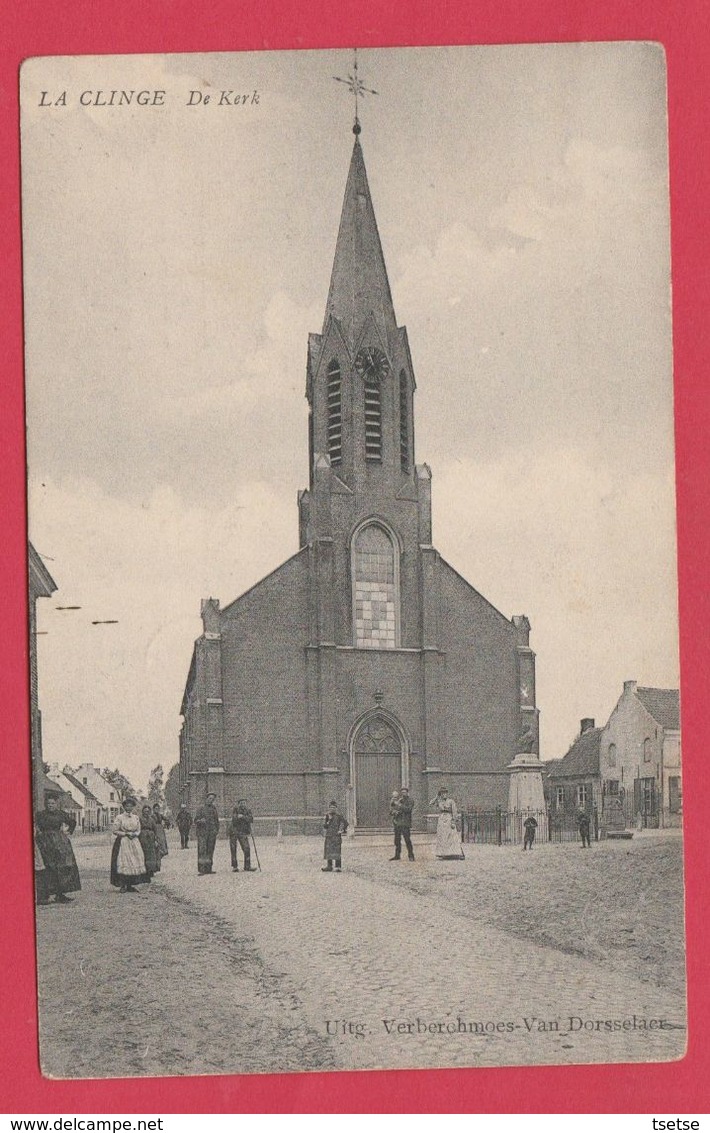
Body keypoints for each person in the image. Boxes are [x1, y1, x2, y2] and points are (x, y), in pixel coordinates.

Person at [35, 792, 81, 903]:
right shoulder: (40, 814)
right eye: (48, 803)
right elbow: (35, 825)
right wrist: (39, 834)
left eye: (53, 803)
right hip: (44, 843)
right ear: (46, 804)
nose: (50, 805)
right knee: (47, 867)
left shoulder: (61, 814)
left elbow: (72, 822)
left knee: (61, 867)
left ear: (56, 804)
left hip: (60, 844)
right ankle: (44, 895)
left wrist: (68, 832)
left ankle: (60, 894)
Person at [111, 797, 149, 892]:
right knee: (124, 861)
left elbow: (138, 830)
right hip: (123, 841)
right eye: (127, 806)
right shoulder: (119, 818)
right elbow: (115, 831)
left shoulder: (135, 817)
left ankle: (130, 885)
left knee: (134, 861)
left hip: (134, 841)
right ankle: (123, 884)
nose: (129, 808)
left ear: (133, 807)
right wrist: (125, 834)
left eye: (131, 806)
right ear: (124, 807)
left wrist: (135, 834)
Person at [429, 787, 464, 860]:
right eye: (442, 793)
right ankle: (443, 853)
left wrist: (453, 821)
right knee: (442, 836)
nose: (444, 794)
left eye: (445, 793)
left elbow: (454, 811)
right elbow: (430, 803)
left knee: (451, 835)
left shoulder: (451, 801)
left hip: (449, 818)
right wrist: (436, 797)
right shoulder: (439, 801)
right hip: (441, 819)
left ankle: (454, 853)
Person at [195, 792, 220, 874]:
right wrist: (200, 821)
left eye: (212, 799)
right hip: (202, 833)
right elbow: (195, 820)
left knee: (210, 850)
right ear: (206, 799)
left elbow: (216, 821)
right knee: (202, 850)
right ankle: (201, 869)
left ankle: (209, 868)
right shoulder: (201, 808)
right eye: (210, 798)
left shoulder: (214, 809)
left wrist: (216, 830)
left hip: (212, 833)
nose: (211, 800)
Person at [229, 800, 256, 871]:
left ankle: (247, 866)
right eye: (241, 803)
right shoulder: (235, 810)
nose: (243, 804)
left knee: (247, 848)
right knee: (233, 848)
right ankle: (234, 866)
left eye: (244, 803)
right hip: (234, 831)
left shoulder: (248, 810)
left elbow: (251, 819)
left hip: (243, 832)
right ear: (238, 804)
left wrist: (243, 817)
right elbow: (234, 819)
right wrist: (238, 817)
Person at [390, 786, 415, 861]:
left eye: (405, 792)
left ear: (407, 792)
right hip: (397, 823)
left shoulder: (410, 800)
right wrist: (393, 812)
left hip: (405, 823)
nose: (403, 793)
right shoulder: (400, 800)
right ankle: (397, 855)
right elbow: (392, 809)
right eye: (402, 792)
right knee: (397, 840)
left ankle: (411, 856)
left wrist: (399, 805)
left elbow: (408, 809)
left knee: (407, 840)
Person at [322, 801, 348, 872]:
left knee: (337, 851)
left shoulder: (339, 816)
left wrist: (341, 830)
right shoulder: (328, 816)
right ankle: (329, 866)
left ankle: (338, 866)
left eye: (334, 807)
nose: (332, 809)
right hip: (329, 836)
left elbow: (345, 823)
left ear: (336, 808)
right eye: (331, 807)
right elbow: (325, 826)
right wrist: (328, 820)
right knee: (328, 851)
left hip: (336, 836)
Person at [139, 805, 160, 878]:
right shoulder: (140, 819)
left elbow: (155, 830)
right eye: (145, 811)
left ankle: (151, 870)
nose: (146, 813)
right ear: (142, 812)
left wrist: (156, 840)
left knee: (151, 855)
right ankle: (144, 870)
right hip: (142, 838)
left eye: (148, 811)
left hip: (151, 838)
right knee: (143, 854)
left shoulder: (152, 820)